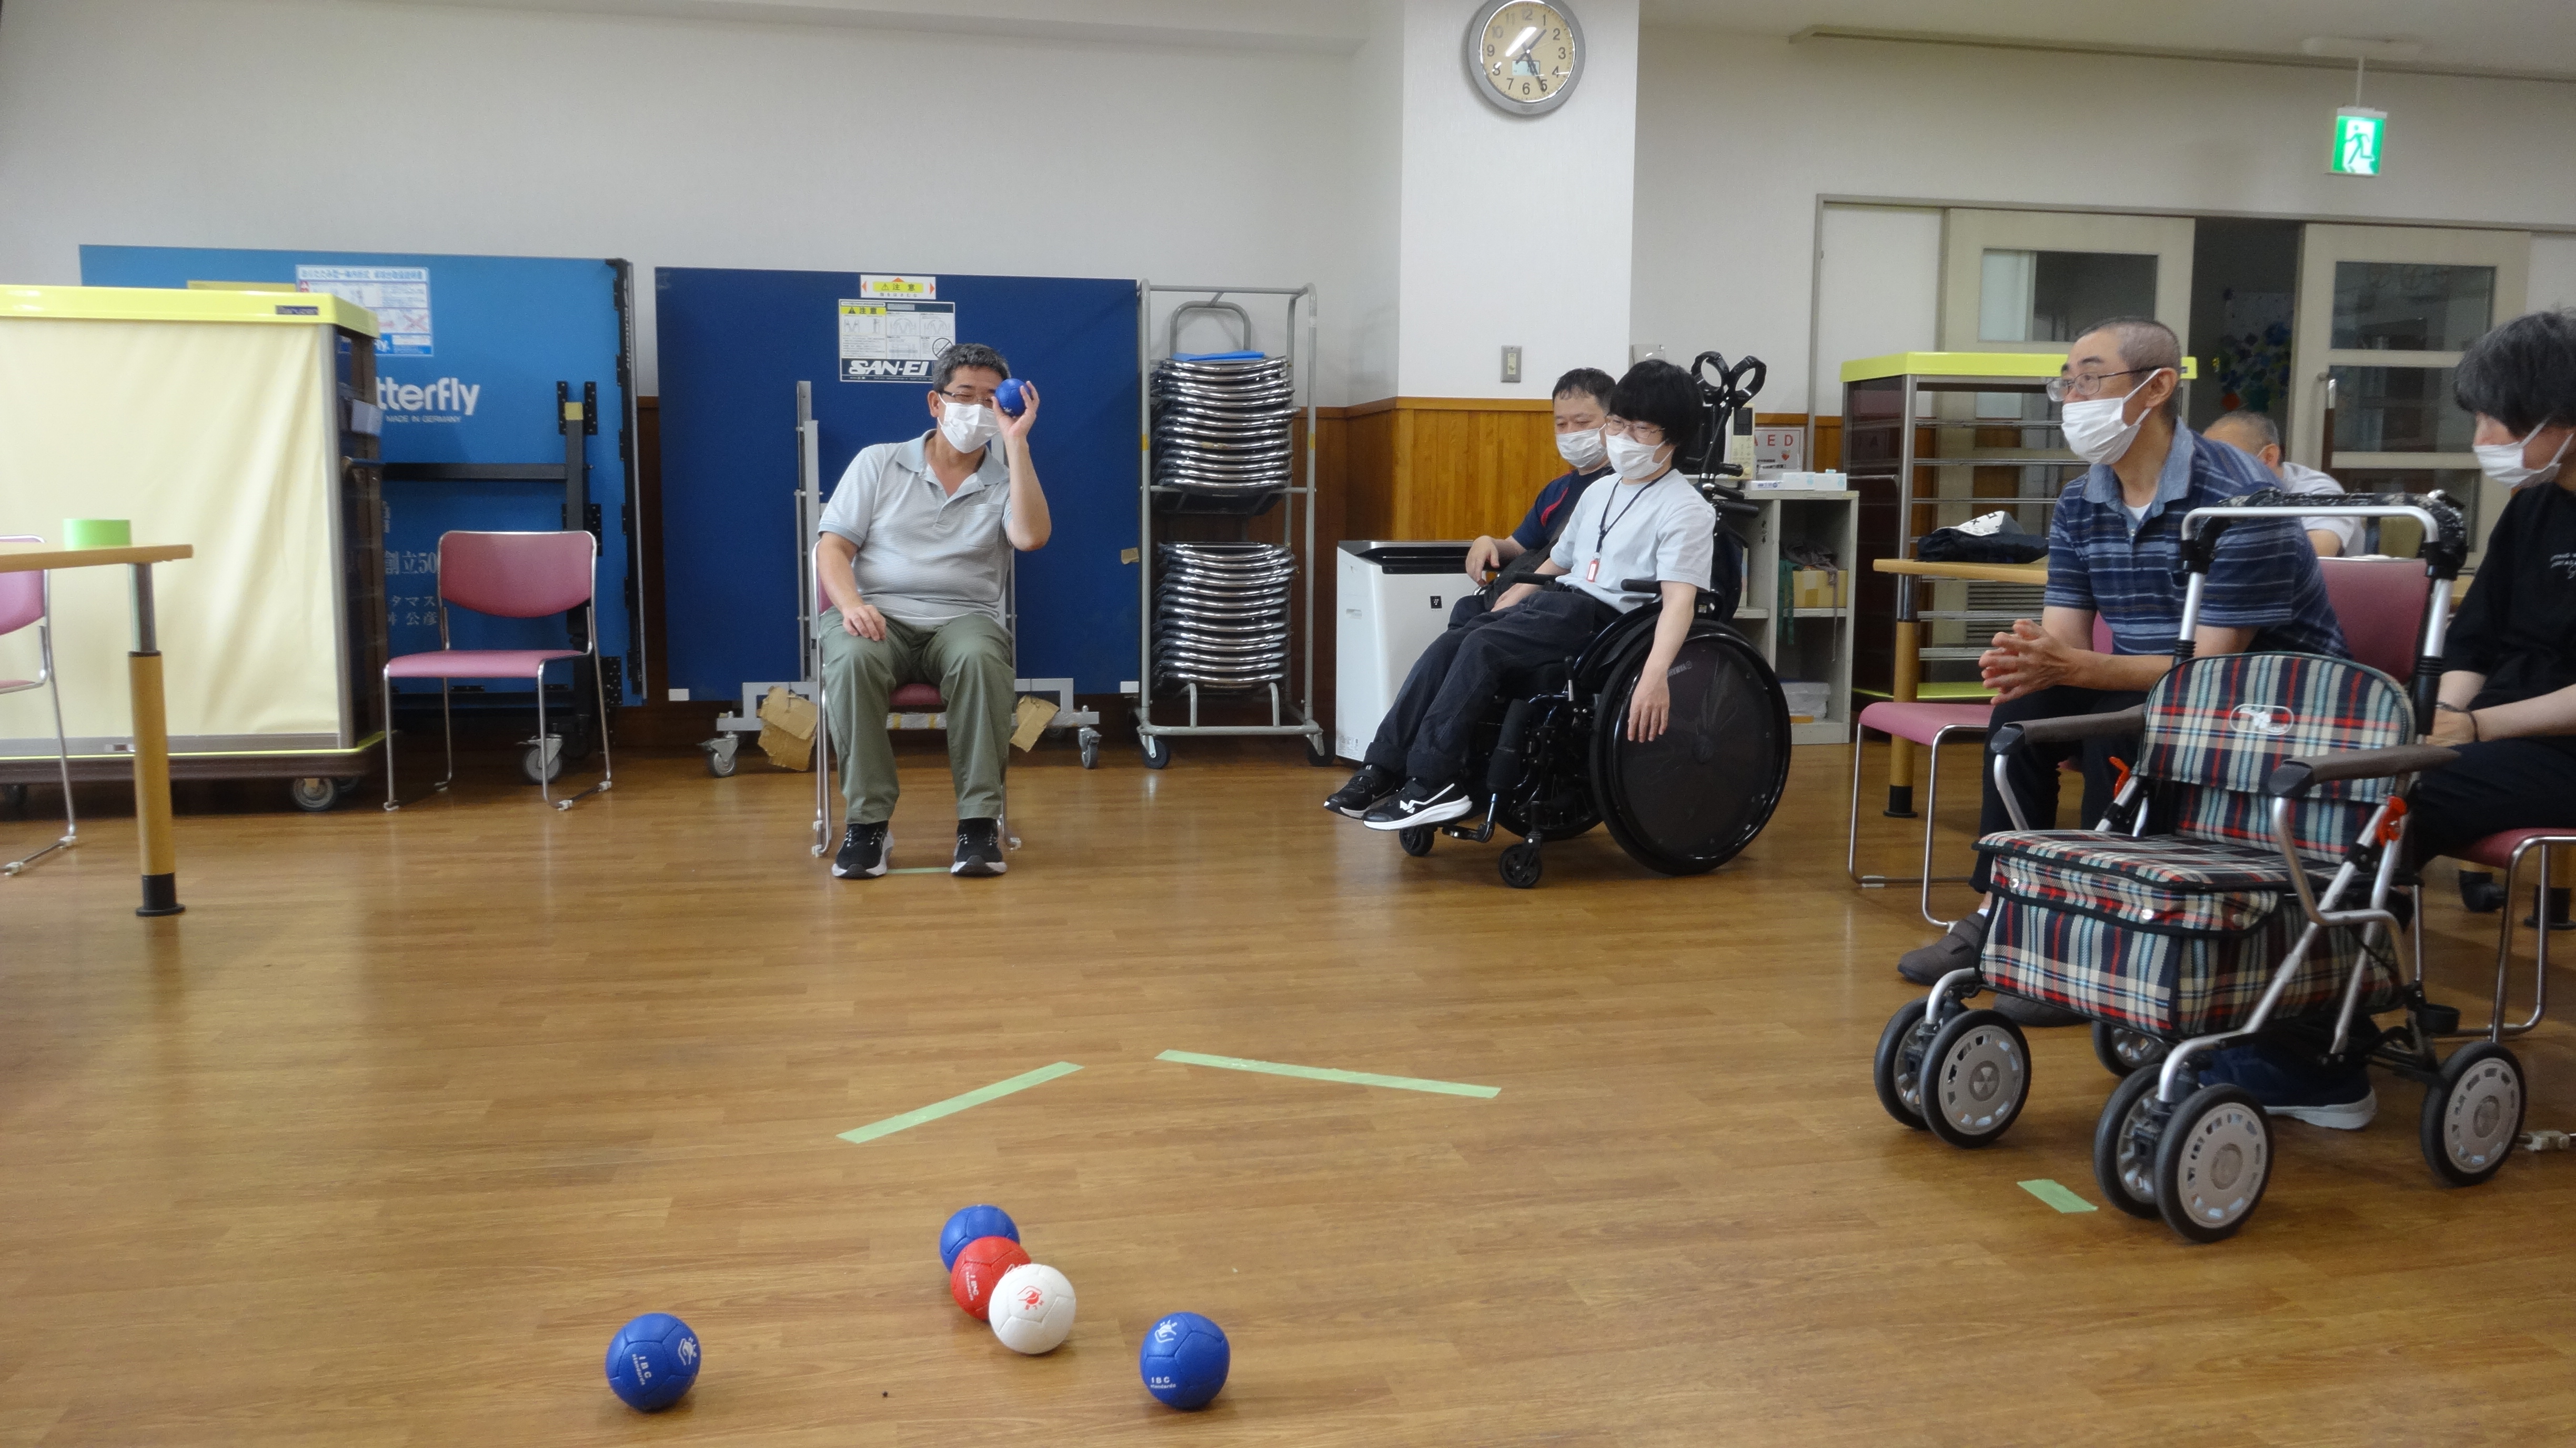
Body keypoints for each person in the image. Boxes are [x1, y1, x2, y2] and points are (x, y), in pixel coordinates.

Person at [1894, 317, 2348, 1029]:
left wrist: (2071, 665)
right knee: (2024, 710)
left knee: (2122, 726)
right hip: (2159, 687)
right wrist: (2028, 659)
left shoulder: (2241, 498)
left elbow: (2214, 670)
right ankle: (2004, 909)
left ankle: (2097, 939)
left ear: (2157, 387)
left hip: (2268, 706)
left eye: (2090, 379)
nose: (2073, 398)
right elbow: (2066, 640)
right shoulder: (2083, 499)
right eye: (2066, 383)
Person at [1323, 359, 1717, 832]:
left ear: (1674, 438)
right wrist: (1519, 590)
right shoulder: (1600, 492)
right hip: (1557, 602)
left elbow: (1679, 601)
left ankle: (1433, 781)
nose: (1624, 437)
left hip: (1606, 624)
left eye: (1641, 429)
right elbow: (1560, 560)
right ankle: (1383, 767)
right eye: (1617, 423)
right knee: (1453, 641)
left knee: (1482, 646)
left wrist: (1656, 675)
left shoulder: (1686, 509)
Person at [814, 343, 1050, 880]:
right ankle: (868, 825)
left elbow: (1032, 537)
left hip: (963, 619)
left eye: (990, 400)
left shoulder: (1006, 478)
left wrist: (1017, 445)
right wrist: (851, 604)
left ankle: (978, 824)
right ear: (935, 402)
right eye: (964, 395)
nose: (977, 409)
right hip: (879, 615)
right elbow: (832, 548)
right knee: (850, 660)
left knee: (981, 660)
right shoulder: (878, 462)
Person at [1452, 367, 1618, 624]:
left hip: (1567, 604)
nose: (1570, 433)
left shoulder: (1621, 487)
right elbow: (1518, 547)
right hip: (1530, 597)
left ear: (1613, 422)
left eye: (1582, 423)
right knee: (1467, 609)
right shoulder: (1557, 490)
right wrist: (1488, 543)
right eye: (1561, 424)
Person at [2200, 408, 2362, 556]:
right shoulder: (2212, 490)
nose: (2213, 470)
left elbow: (2317, 552)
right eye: (2206, 460)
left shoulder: (2317, 490)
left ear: (2268, 457)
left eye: (2226, 459)